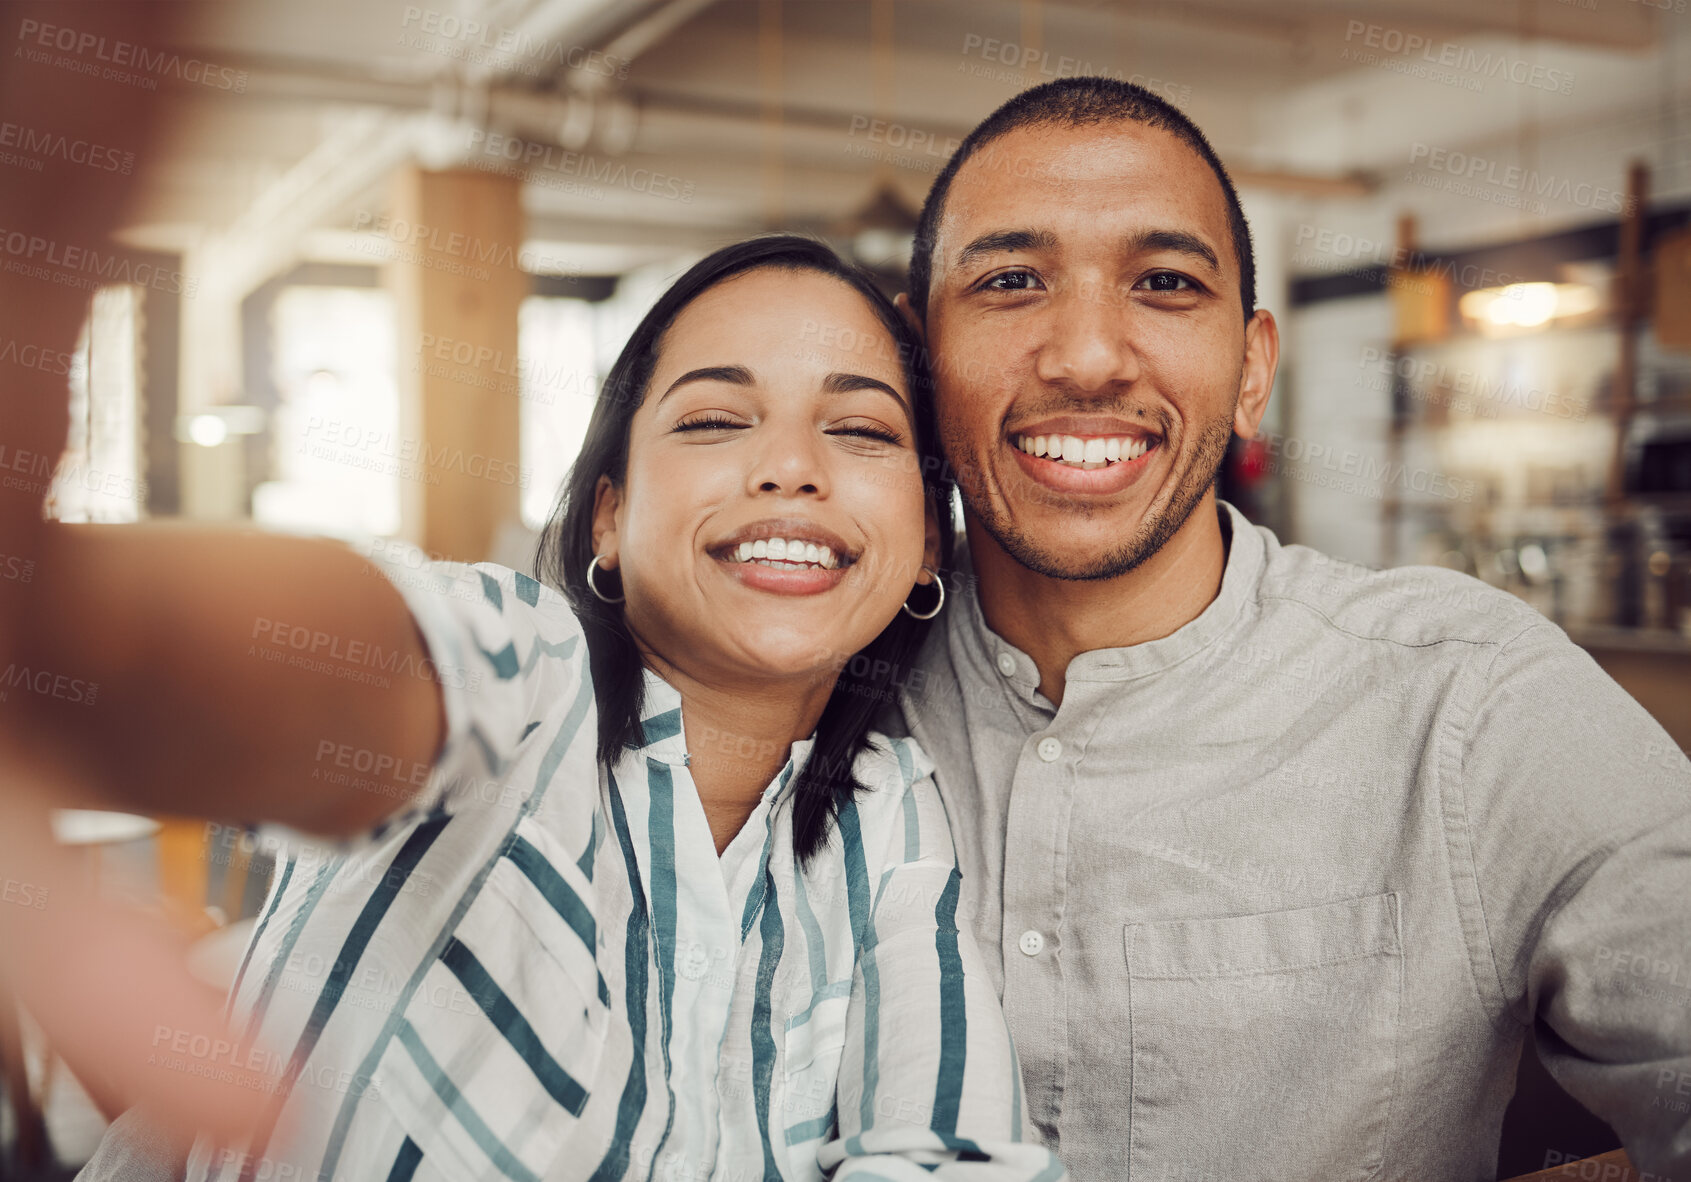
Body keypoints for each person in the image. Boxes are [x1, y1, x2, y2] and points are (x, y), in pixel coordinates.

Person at [12, 236, 1064, 1181]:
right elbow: (368, 659)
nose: (790, 469)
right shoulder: (527, 679)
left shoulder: (889, 821)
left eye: (860, 430)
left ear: (929, 539)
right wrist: (56, 623)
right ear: (609, 515)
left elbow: (946, 1156)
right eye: (711, 419)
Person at [889, 77, 1691, 1180]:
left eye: (1164, 282)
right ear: (915, 361)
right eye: (1011, 280)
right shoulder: (812, 692)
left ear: (1251, 371)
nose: (1085, 357)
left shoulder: (1465, 706)